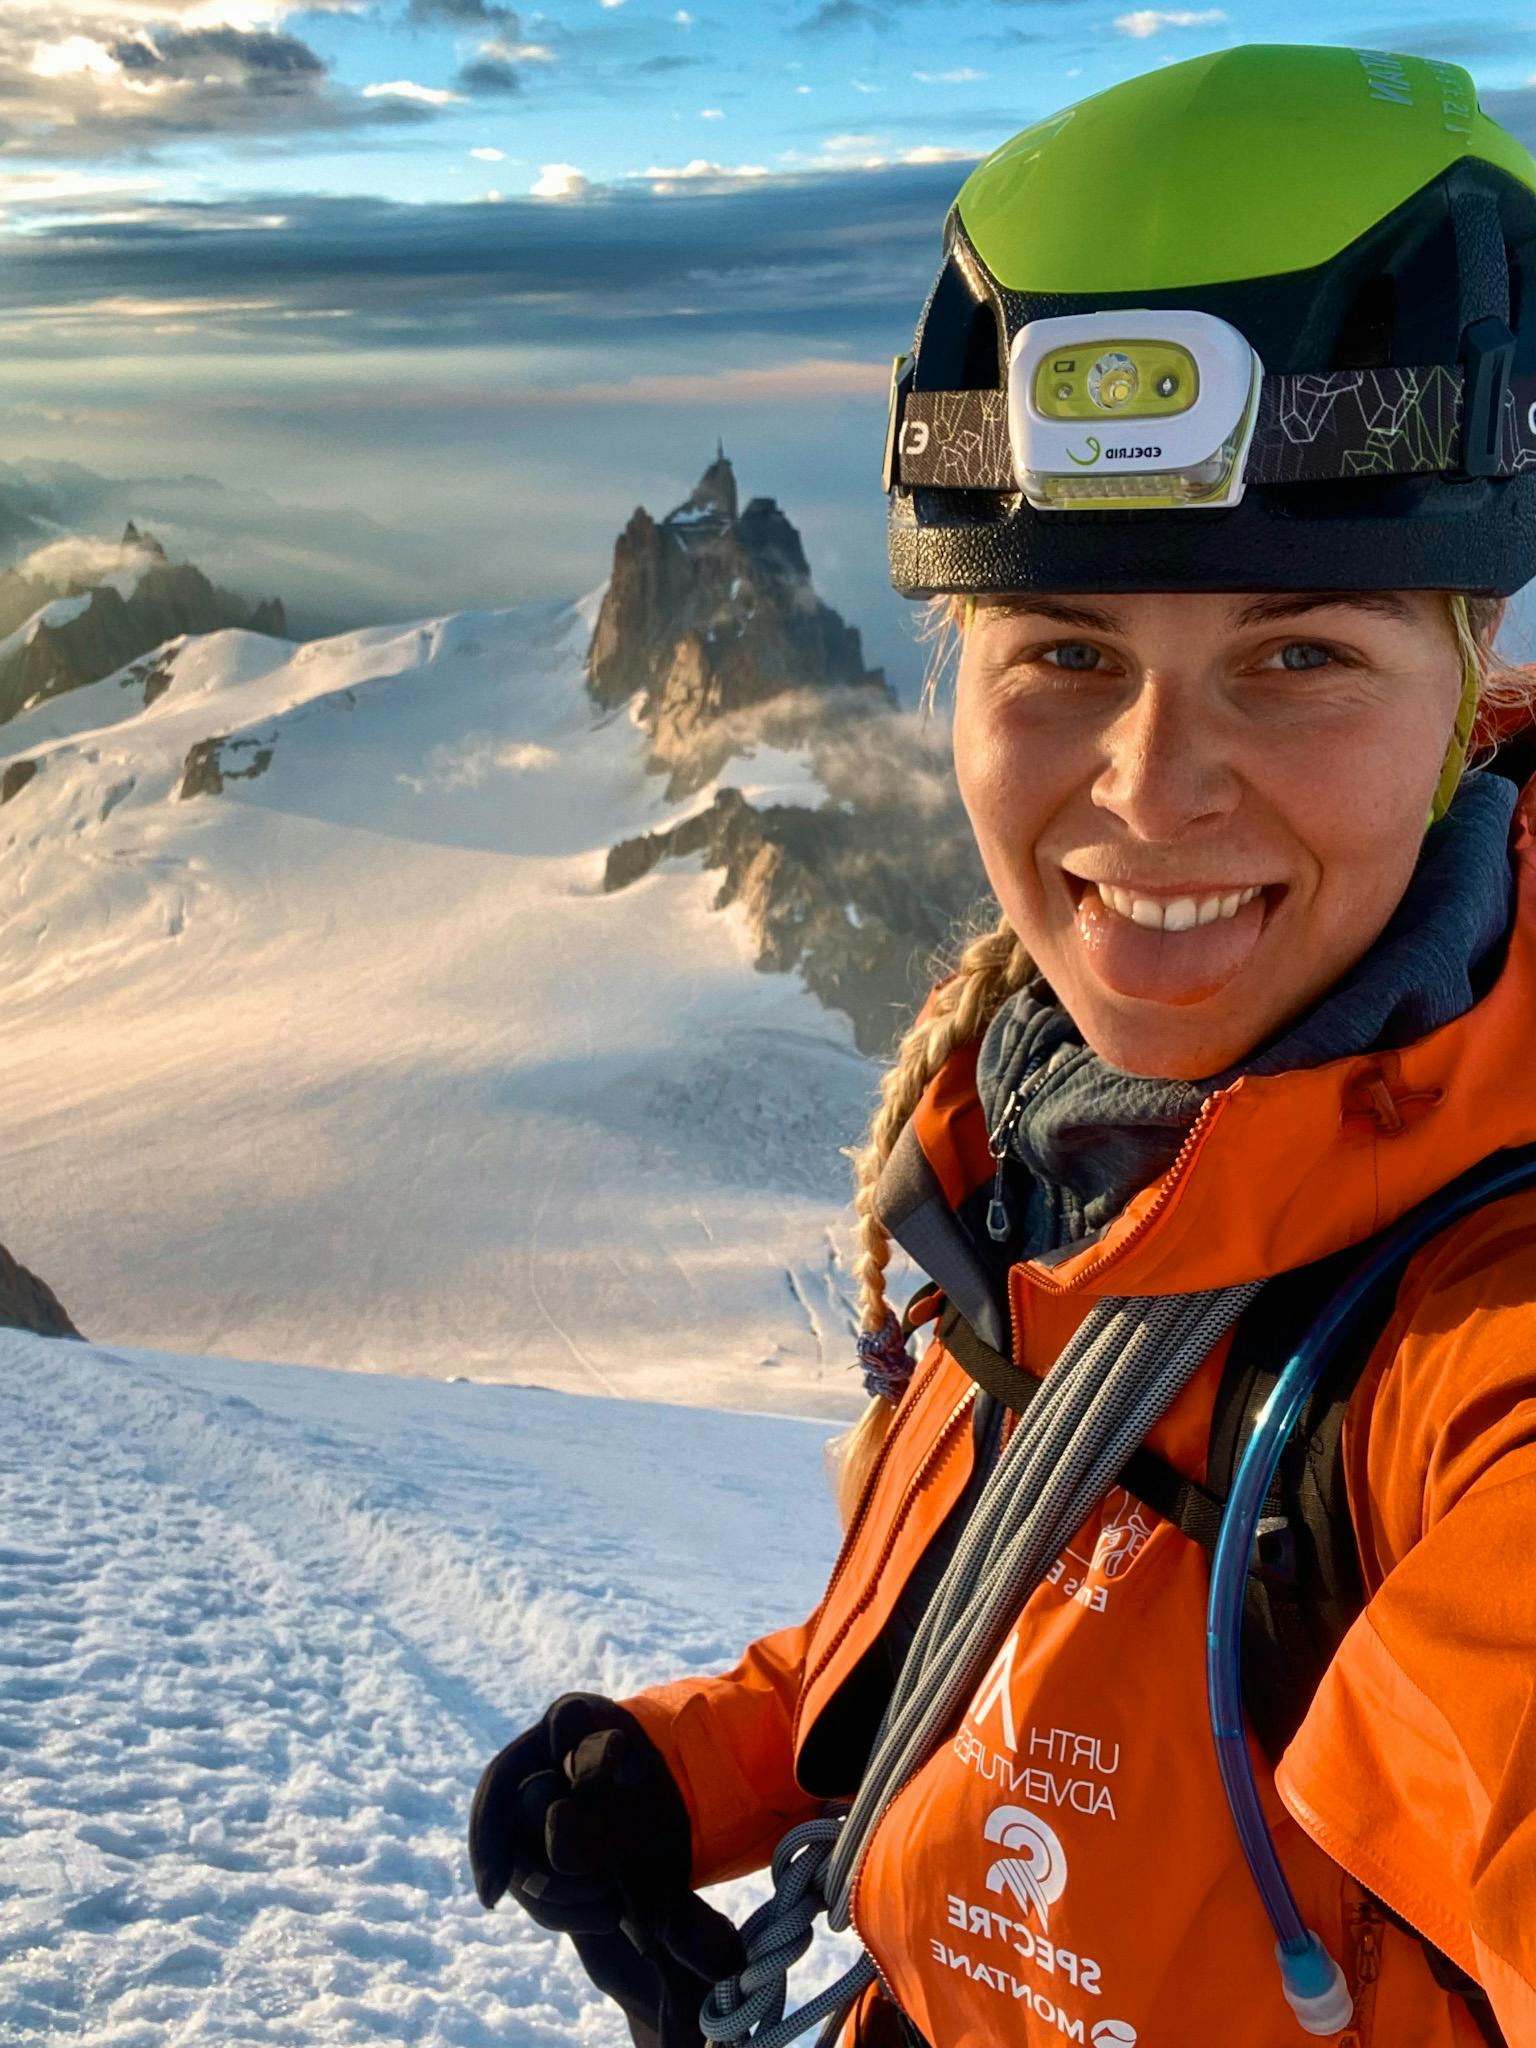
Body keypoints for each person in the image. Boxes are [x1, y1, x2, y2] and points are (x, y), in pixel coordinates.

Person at [469, 43, 1536, 2048]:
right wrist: (697, 1767)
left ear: (1470, 689)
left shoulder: (1474, 1338)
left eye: (1302, 653)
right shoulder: (1048, 1145)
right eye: (1064, 652)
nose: (1152, 787)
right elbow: (1005, 1618)